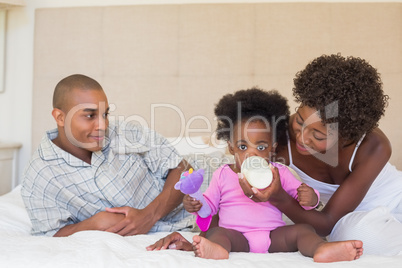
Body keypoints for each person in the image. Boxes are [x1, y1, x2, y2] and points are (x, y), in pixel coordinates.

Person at [147, 88, 363, 262]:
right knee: (217, 234)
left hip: (273, 236)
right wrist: (195, 204)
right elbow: (209, 206)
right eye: (243, 146)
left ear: (272, 149)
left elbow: (302, 200)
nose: (251, 153)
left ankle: (321, 249)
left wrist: (311, 197)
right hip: (236, 236)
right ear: (231, 148)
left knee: (303, 230)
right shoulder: (223, 174)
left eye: (260, 147)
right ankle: (217, 250)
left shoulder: (278, 172)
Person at [237, 54, 402, 256]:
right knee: (358, 237)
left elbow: (326, 222)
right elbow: (327, 225)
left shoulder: (372, 145)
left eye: (318, 135)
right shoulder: (279, 138)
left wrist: (280, 198)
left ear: (347, 136)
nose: (302, 138)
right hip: (352, 221)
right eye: (299, 120)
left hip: (397, 199)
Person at [21, 74, 194, 237]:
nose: (103, 125)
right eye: (90, 115)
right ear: (60, 117)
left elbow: (183, 167)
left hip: (205, 191)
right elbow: (49, 234)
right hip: (183, 229)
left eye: (105, 114)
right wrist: (94, 223)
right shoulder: (40, 175)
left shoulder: (124, 132)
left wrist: (149, 215)